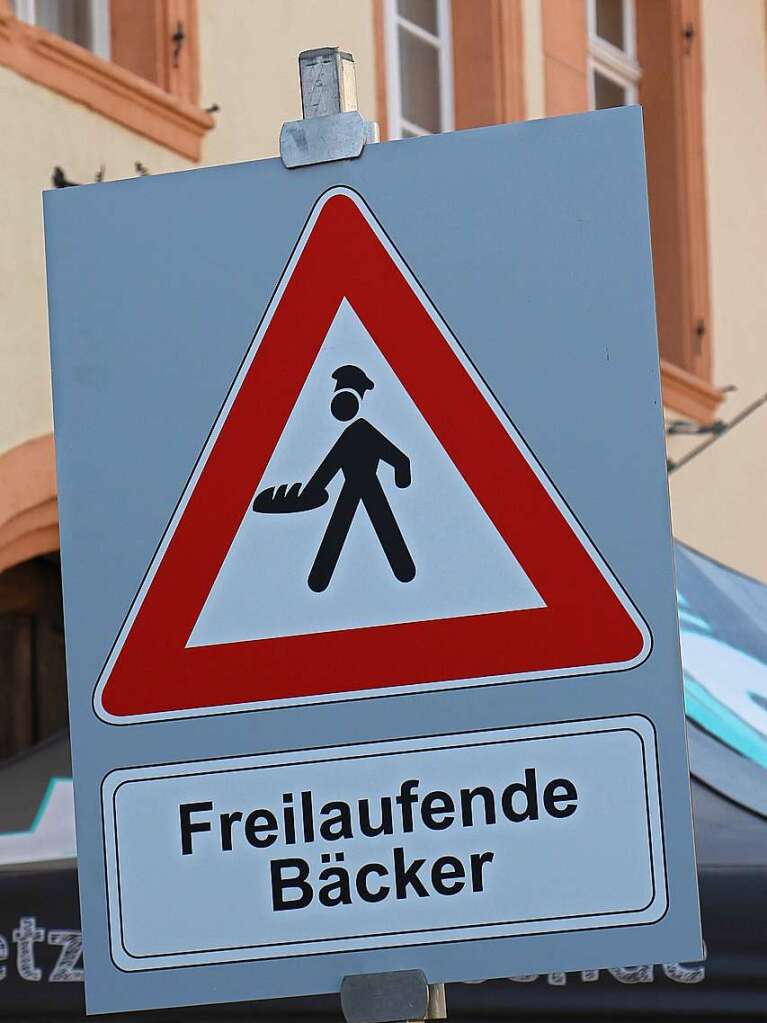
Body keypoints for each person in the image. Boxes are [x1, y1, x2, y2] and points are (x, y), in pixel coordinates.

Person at [302, 365, 416, 593]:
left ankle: (318, 580)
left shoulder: (360, 432)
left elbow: (400, 460)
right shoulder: (357, 432)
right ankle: (404, 572)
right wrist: (311, 491)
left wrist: (312, 490)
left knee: (346, 526)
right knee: (367, 525)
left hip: (361, 486)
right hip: (360, 486)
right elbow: (330, 466)